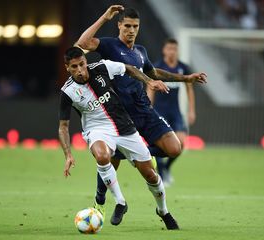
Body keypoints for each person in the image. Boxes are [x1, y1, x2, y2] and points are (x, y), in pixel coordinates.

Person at [76, 5, 207, 214]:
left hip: (144, 110)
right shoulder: (109, 45)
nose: (131, 30)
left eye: (135, 26)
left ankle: (138, 154)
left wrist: (185, 78)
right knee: (110, 163)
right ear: (119, 25)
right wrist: (104, 17)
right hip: (118, 116)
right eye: (127, 25)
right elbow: (82, 43)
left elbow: (154, 73)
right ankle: (99, 199)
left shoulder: (141, 51)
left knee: (174, 148)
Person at [59, 46, 179, 229]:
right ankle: (120, 202)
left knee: (150, 175)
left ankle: (163, 211)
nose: (80, 71)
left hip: (125, 127)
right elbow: (63, 126)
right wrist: (68, 154)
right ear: (67, 67)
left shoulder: (101, 67)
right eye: (74, 67)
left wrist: (148, 81)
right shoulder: (67, 91)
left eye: (82, 64)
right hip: (97, 129)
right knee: (102, 156)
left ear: (85, 61)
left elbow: (129, 68)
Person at [147, 38, 196, 187]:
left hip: (175, 112)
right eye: (169, 49)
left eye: (174, 49)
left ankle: (166, 167)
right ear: (164, 50)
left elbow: (189, 88)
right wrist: (148, 108)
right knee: (161, 144)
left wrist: (191, 110)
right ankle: (161, 173)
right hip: (159, 111)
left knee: (181, 143)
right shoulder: (157, 67)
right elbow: (150, 87)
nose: (172, 52)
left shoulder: (183, 68)